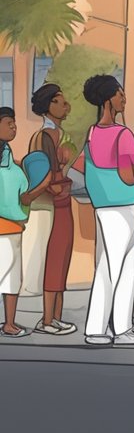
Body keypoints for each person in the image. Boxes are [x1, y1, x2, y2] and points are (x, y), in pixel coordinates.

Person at [77, 75, 134, 346]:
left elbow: (82, 166)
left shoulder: (91, 132)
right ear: (109, 98)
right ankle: (114, 330)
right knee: (122, 268)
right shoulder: (123, 135)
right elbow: (131, 177)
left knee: (108, 265)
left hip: (103, 205)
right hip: (124, 204)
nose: (124, 99)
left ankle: (112, 325)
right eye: (120, 94)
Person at [0, 107, 55, 337]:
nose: (14, 126)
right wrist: (38, 188)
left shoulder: (7, 153)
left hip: (11, 225)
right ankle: (9, 324)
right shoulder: (4, 159)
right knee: (10, 277)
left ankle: (9, 323)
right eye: (9, 123)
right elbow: (17, 194)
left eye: (14, 122)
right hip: (7, 225)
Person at [29, 84, 77, 336]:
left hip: (64, 202)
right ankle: (47, 319)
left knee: (62, 258)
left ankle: (56, 317)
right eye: (59, 100)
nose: (65, 104)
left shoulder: (58, 133)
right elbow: (41, 174)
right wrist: (57, 185)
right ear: (48, 105)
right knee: (54, 259)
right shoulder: (45, 135)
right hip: (53, 204)